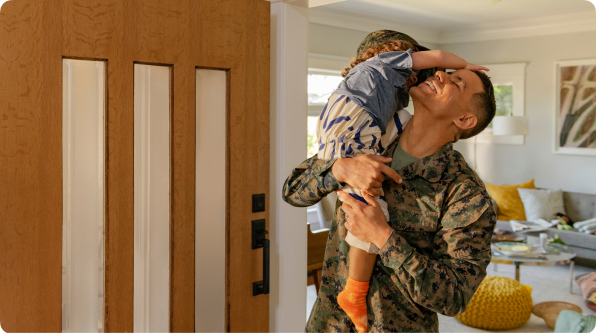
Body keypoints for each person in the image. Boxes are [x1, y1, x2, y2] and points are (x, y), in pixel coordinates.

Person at [282, 30, 497, 333]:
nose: (441, 76)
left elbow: (454, 296)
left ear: (464, 120)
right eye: (447, 72)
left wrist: (383, 237)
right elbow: (292, 191)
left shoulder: (465, 194)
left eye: (457, 82)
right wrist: (339, 170)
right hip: (328, 325)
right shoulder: (370, 133)